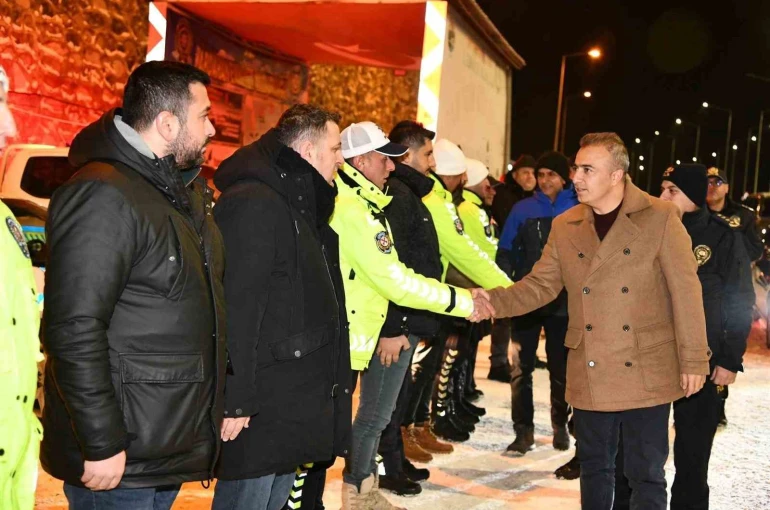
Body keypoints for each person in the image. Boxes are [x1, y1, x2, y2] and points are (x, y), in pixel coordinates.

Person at [484, 132, 711, 510]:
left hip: (646, 368)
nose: (576, 177)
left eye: (588, 169)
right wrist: (490, 302)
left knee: (645, 474)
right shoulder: (566, 224)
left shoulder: (661, 217)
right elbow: (540, 286)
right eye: (577, 168)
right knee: (594, 468)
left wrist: (693, 360)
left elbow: (686, 294)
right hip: (590, 365)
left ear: (616, 175)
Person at [41, 61, 226, 510]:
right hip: (120, 457)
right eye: (204, 115)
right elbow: (73, 327)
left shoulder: (175, 192)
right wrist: (101, 440)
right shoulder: (103, 193)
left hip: (164, 444)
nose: (212, 129)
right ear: (167, 124)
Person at [331, 121, 490, 509]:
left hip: (368, 329)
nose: (392, 166)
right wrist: (460, 302)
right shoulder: (357, 209)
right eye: (385, 159)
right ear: (362, 161)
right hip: (364, 332)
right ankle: (359, 494)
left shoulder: (372, 202)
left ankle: (363, 491)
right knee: (369, 418)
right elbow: (394, 279)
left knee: (374, 416)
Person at [210, 104, 350, 510]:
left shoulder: (297, 203)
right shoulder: (255, 202)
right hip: (259, 406)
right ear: (308, 151)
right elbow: (237, 306)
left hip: (289, 401)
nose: (341, 160)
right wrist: (235, 397)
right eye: (335, 149)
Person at [611, 164, 754, 510]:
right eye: (662, 189)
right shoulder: (643, 232)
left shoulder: (722, 236)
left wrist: (729, 358)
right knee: (635, 450)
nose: (662, 196)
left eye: (672, 190)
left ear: (693, 195)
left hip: (704, 359)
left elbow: (739, 299)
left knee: (693, 454)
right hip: (650, 357)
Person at [375, 121, 448, 497]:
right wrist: (396, 324)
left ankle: (395, 460)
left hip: (412, 314)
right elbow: (393, 267)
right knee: (383, 404)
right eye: (428, 154)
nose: (433, 163)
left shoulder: (409, 193)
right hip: (401, 318)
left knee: (397, 397)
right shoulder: (399, 195)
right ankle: (385, 467)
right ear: (406, 155)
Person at [496, 151, 578, 456]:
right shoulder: (523, 209)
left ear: (564, 178)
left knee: (561, 369)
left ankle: (560, 425)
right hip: (527, 299)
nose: (544, 180)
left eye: (551, 175)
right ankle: (523, 431)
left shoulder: (578, 208)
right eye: (540, 174)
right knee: (521, 368)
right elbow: (505, 251)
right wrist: (508, 286)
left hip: (564, 302)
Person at [488, 154, 537, 382]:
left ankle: (524, 356)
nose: (530, 177)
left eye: (533, 173)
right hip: (506, 260)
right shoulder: (506, 197)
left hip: (524, 263)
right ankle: (498, 362)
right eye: (525, 172)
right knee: (504, 313)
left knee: (525, 313)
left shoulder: (533, 198)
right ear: (515, 175)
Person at [706, 167, 764, 262]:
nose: (712, 187)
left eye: (718, 182)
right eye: (708, 183)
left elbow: (756, 251)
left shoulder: (744, 215)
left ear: (727, 188)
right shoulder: (694, 214)